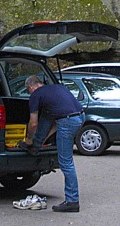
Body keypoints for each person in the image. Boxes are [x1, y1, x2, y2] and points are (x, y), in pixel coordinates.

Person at [22, 74, 84, 212]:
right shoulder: (55, 89)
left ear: (31, 86)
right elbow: (57, 119)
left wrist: (29, 140)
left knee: (66, 162)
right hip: (80, 116)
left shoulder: (36, 95)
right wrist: (42, 140)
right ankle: (36, 146)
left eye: (28, 90)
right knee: (47, 115)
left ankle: (72, 201)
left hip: (67, 121)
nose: (29, 92)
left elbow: (33, 124)